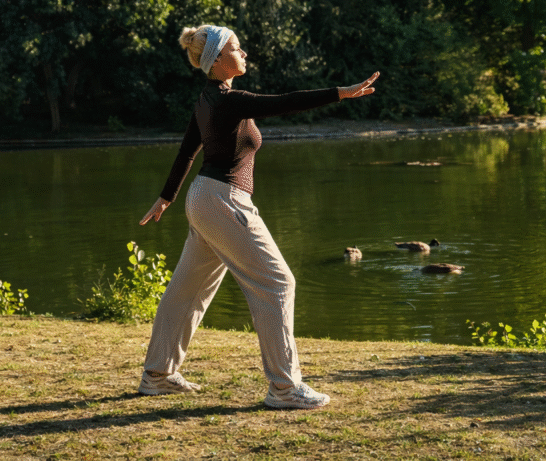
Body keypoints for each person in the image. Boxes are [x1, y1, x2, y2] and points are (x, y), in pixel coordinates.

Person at [138, 24, 378, 409]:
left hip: (205, 199)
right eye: (237, 48)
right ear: (217, 60)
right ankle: (285, 388)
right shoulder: (226, 100)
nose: (244, 53)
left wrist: (167, 198)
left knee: (187, 289)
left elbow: (187, 151)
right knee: (277, 283)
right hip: (222, 199)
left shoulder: (208, 100)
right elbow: (283, 102)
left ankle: (158, 374)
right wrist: (340, 93)